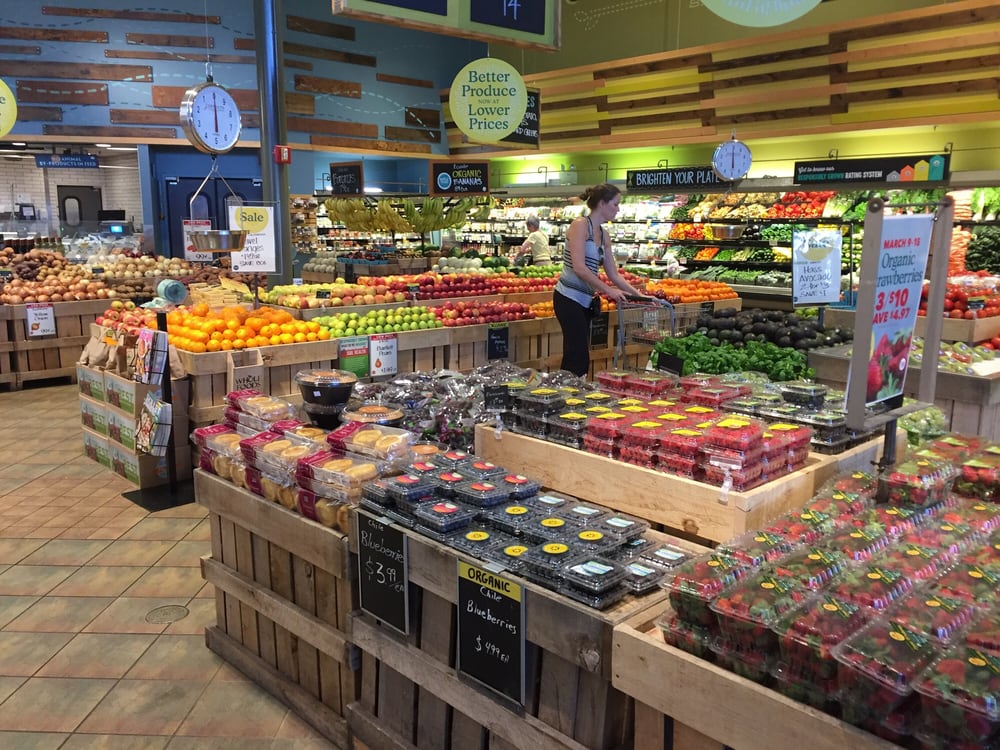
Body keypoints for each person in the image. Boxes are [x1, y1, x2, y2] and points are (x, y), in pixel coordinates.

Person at [553, 183, 650, 377]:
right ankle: (569, 390)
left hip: (585, 301)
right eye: (615, 204)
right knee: (577, 355)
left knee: (577, 353)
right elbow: (579, 268)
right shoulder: (580, 225)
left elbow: (614, 274)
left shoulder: (604, 235)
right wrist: (608, 290)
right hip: (568, 298)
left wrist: (640, 295)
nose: (618, 209)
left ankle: (570, 388)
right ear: (602, 204)